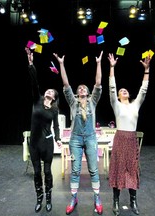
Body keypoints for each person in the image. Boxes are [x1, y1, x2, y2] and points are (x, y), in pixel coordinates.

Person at [53, 51, 104, 215]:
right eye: (79, 88)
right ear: (77, 93)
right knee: (74, 170)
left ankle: (97, 198)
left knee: (94, 170)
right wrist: (61, 64)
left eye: (84, 88)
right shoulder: (73, 102)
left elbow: (98, 83)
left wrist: (98, 63)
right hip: (75, 139)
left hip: (90, 138)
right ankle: (74, 198)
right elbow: (66, 84)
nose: (81, 88)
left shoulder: (93, 101)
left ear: (88, 92)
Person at [107, 53, 151, 215]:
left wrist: (147, 70)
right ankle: (116, 201)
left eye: (125, 90)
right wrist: (112, 68)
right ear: (118, 96)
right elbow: (112, 88)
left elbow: (143, 89)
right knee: (118, 169)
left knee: (132, 169)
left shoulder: (135, 105)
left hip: (131, 140)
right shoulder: (116, 105)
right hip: (120, 139)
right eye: (121, 90)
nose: (123, 91)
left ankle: (133, 201)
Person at [25, 47, 62, 213]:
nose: (48, 91)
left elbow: (56, 125)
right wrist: (31, 63)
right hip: (34, 143)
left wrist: (58, 138)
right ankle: (39, 198)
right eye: (47, 90)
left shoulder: (54, 110)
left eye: (51, 92)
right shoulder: (36, 100)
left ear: (54, 97)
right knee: (37, 172)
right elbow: (34, 83)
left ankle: (49, 197)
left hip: (47, 144)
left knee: (47, 172)